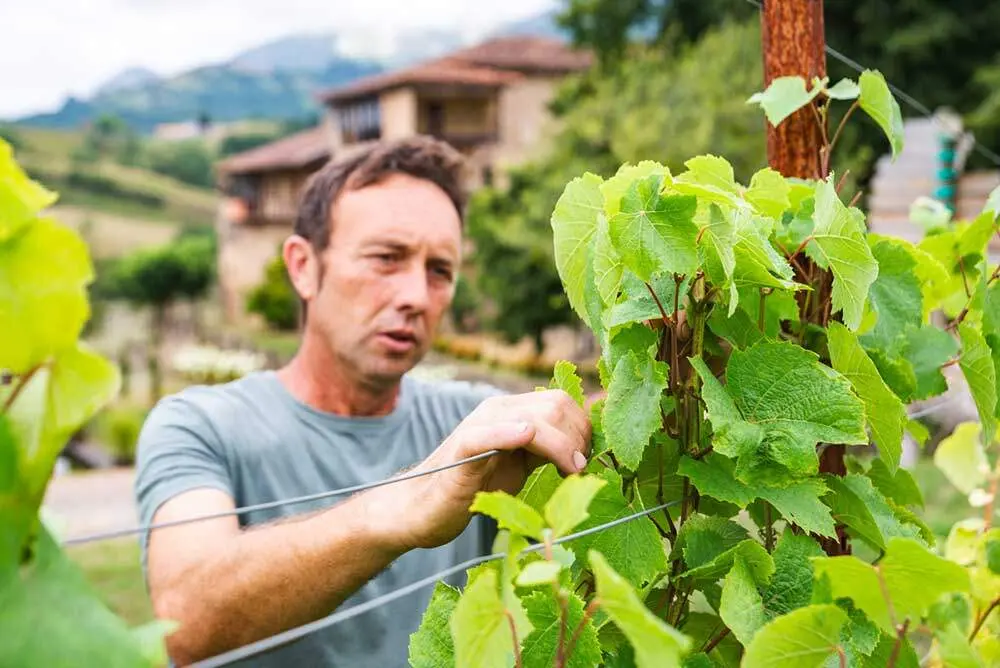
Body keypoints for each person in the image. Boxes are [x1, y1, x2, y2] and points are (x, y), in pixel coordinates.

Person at [134, 136, 592, 667]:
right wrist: (403, 505)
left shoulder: (476, 424)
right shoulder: (199, 426)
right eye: (386, 258)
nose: (416, 296)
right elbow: (185, 624)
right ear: (304, 266)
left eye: (439, 271)